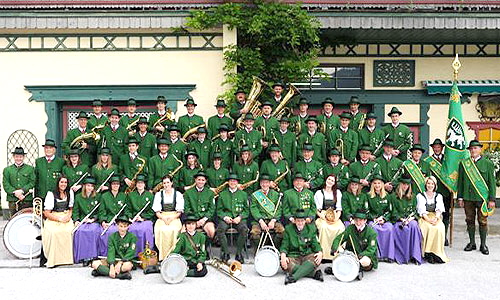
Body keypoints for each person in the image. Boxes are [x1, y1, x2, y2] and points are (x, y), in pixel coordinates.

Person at [457, 140, 496, 255]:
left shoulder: (488, 164)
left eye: (475, 148)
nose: (473, 150)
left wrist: (492, 199)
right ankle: (472, 243)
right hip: (468, 197)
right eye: (471, 149)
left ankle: (483, 244)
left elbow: (491, 183)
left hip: (482, 198)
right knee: (469, 220)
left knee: (482, 221)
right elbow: (461, 182)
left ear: (480, 150)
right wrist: (460, 197)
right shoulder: (464, 164)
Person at [328, 210, 378, 276]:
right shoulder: (350, 228)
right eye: (356, 220)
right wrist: (335, 248)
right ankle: (349, 268)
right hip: (352, 254)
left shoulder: (371, 232)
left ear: (365, 221)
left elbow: (371, 249)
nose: (358, 222)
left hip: (363, 256)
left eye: (360, 220)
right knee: (339, 249)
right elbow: (339, 238)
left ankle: (356, 269)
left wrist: (361, 255)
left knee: (365, 261)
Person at [280, 209, 323, 285]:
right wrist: (283, 255)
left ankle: (293, 278)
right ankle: (313, 274)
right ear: (295, 221)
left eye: (302, 221)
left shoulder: (311, 229)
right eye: (298, 221)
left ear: (305, 221)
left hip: (307, 256)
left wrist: (320, 252)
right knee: (285, 263)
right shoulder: (288, 229)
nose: (300, 223)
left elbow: (315, 244)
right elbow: (284, 244)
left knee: (316, 258)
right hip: (294, 256)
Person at [42, 176, 75, 268]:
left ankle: (67, 259)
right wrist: (59, 219)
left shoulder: (70, 193)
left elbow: (71, 208)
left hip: (66, 215)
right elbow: (46, 213)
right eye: (61, 182)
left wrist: (68, 216)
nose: (63, 184)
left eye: (65, 182)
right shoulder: (51, 194)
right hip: (54, 216)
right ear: (58, 183)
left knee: (70, 231)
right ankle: (54, 259)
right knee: (54, 232)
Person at [425, 138, 452, 245]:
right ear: (432, 148)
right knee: (432, 214)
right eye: (435, 147)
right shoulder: (428, 161)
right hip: (433, 192)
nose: (437, 149)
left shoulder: (448, 160)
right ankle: (432, 236)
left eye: (438, 147)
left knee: (445, 215)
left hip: (446, 192)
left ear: (442, 148)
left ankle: (444, 236)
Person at [216, 174, 249, 263]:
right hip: (226, 218)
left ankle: (239, 253)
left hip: (239, 218)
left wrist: (240, 217)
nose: (232, 182)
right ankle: (226, 253)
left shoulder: (243, 194)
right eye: (231, 181)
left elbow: (246, 210)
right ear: (228, 182)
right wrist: (225, 217)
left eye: (234, 181)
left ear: (237, 183)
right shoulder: (222, 194)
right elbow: (218, 210)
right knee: (220, 229)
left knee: (244, 230)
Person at [417, 176, 449, 263]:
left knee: (439, 228)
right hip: (425, 217)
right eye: (428, 183)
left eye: (432, 184)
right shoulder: (421, 195)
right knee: (428, 228)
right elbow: (422, 211)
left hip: (435, 216)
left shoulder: (438, 196)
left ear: (435, 185)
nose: (430, 185)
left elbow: (439, 209)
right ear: (426, 184)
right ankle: (428, 252)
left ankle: (437, 253)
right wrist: (428, 220)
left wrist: (436, 218)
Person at [152, 175, 184, 261]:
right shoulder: (159, 194)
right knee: (161, 230)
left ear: (172, 183)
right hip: (162, 216)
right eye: (164, 183)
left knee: (174, 229)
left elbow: (179, 212)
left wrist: (172, 218)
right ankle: (163, 256)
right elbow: (157, 212)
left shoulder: (177, 194)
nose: (166, 185)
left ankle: (173, 254)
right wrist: (163, 218)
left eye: (168, 182)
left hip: (174, 216)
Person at [392, 176, 422, 265]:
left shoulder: (413, 196)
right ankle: (403, 257)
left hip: (410, 219)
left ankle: (415, 256)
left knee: (414, 226)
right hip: (399, 220)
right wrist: (401, 219)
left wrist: (412, 218)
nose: (405, 186)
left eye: (407, 185)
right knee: (401, 229)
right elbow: (393, 212)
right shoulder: (394, 196)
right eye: (403, 184)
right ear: (400, 184)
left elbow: (416, 211)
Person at [250, 174, 285, 250]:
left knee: (281, 231)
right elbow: (254, 209)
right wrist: (261, 221)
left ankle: (275, 249)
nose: (264, 185)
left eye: (266, 183)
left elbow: (279, 209)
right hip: (259, 220)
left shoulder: (276, 195)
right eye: (262, 183)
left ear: (269, 184)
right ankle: (260, 250)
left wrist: (273, 220)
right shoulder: (255, 195)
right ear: (260, 184)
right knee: (254, 233)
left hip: (273, 219)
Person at [314, 174, 345, 260]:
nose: (330, 181)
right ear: (326, 180)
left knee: (340, 227)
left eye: (332, 180)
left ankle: (337, 253)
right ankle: (324, 254)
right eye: (329, 179)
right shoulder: (319, 193)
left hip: (334, 215)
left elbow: (339, 209)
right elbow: (316, 210)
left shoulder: (337, 193)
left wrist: (336, 218)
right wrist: (324, 218)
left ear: (334, 183)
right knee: (323, 227)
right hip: (323, 215)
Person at [72, 177, 101, 264]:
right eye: (88, 185)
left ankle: (92, 256)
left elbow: (101, 211)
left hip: (93, 221)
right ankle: (83, 257)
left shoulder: (98, 196)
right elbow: (75, 211)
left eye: (92, 186)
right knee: (80, 231)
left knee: (93, 231)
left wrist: (93, 219)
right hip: (83, 221)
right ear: (84, 186)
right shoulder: (78, 197)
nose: (90, 188)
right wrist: (76, 220)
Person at [368, 175, 396, 262]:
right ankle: (378, 255)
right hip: (373, 220)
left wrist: (384, 218)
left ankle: (389, 255)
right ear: (372, 185)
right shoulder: (368, 196)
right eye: (375, 183)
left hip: (384, 220)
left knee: (389, 228)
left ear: (382, 184)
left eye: (379, 183)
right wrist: (374, 218)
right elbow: (366, 210)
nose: (377, 185)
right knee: (374, 229)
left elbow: (390, 210)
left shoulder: (388, 196)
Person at [97, 176, 127, 256]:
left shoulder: (123, 196)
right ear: (110, 185)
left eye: (117, 184)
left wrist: (122, 221)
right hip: (108, 221)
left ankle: (120, 254)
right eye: (113, 184)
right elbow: (102, 211)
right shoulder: (104, 196)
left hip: (120, 221)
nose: (115, 186)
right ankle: (107, 255)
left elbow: (126, 211)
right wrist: (103, 222)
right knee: (107, 232)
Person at [125, 174, 154, 254]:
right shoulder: (131, 195)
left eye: (142, 183)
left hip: (146, 220)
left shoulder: (150, 195)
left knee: (145, 230)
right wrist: (130, 217)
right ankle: (133, 253)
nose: (140, 185)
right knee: (132, 229)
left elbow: (152, 212)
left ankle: (146, 253)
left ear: (144, 184)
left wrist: (143, 218)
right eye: (138, 183)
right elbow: (128, 209)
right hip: (134, 220)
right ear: (136, 184)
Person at [2, 146, 35, 217]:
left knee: (26, 219)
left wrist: (22, 191)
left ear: (23, 157)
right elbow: (6, 184)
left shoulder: (30, 169)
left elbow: (32, 182)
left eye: (20, 156)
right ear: (13, 157)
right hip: (13, 200)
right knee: (13, 220)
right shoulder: (7, 170)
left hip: (26, 199)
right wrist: (15, 192)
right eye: (16, 156)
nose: (18, 158)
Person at [183, 172, 216, 240]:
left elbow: (212, 209)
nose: (201, 182)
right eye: (199, 179)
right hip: (191, 219)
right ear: (195, 180)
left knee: (211, 231)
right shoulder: (188, 193)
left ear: (205, 181)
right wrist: (194, 221)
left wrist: (203, 220)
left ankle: (204, 248)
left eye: (203, 180)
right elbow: (186, 208)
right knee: (183, 232)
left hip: (205, 220)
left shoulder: (210, 193)